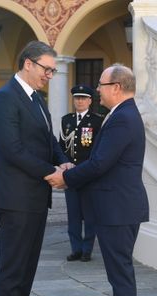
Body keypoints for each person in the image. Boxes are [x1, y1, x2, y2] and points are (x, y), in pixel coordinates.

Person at [45, 64, 149, 296]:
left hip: (118, 209)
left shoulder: (122, 118)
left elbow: (101, 163)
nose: (97, 90)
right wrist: (74, 169)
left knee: (121, 278)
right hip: (117, 207)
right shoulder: (121, 115)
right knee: (120, 276)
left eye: (101, 85)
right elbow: (102, 162)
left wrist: (68, 177)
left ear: (116, 87)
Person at [0, 40, 72, 296]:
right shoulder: (4, 99)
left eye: (53, 70)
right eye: (47, 69)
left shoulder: (36, 99)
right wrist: (52, 172)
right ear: (28, 64)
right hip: (14, 196)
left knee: (28, 266)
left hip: (35, 196)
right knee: (12, 268)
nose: (50, 75)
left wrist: (63, 161)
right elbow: (12, 150)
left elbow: (48, 140)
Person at [59, 85, 103, 262]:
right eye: (77, 98)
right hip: (70, 174)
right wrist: (63, 163)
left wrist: (86, 169)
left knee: (90, 215)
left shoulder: (97, 121)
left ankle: (87, 249)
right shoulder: (66, 120)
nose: (80, 101)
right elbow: (62, 146)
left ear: (90, 101)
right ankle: (75, 249)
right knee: (73, 214)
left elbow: (98, 150)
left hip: (88, 175)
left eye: (84, 98)